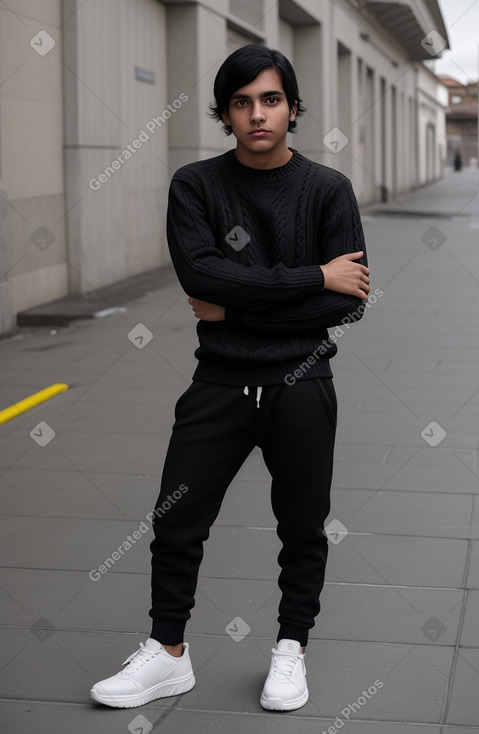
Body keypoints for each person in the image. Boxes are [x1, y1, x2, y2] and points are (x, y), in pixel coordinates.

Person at [91, 44, 369, 712]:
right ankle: (167, 654)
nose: (256, 114)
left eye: (269, 99)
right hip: (217, 383)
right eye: (241, 102)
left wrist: (236, 304)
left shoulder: (327, 190)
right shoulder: (196, 185)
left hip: (301, 382)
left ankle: (290, 649)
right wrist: (310, 279)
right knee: (176, 519)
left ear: (292, 107)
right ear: (224, 113)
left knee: (300, 526)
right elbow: (200, 277)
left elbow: (350, 300)